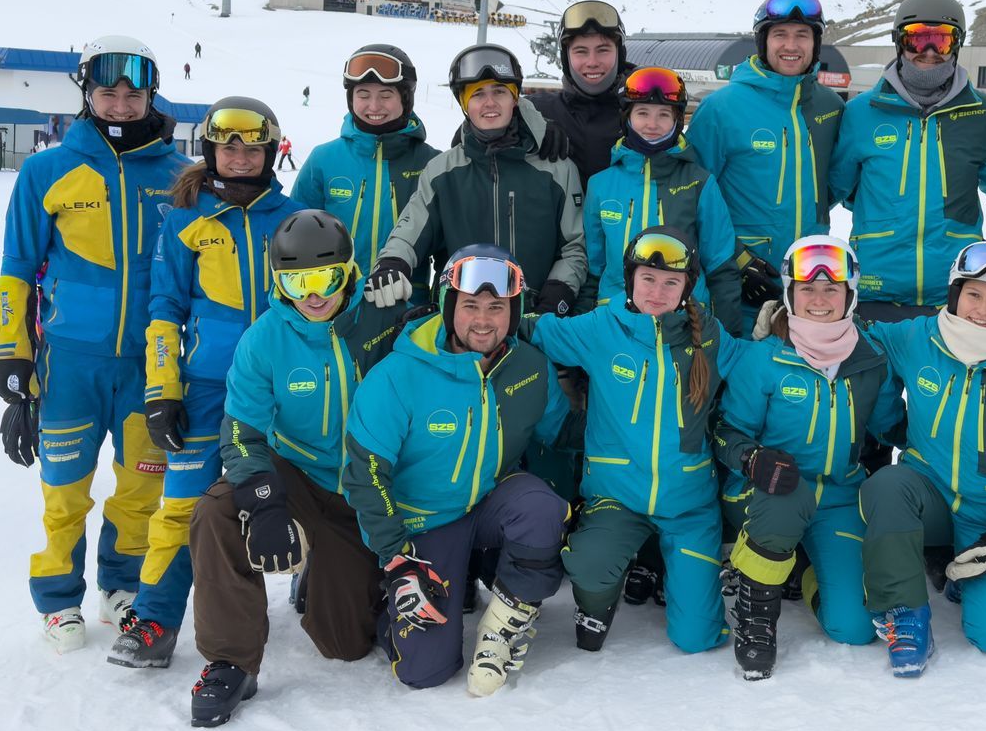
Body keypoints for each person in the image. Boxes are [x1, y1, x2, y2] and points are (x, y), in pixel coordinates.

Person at [0, 36, 190, 650]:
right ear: (87, 93)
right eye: (109, 93)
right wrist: (11, 350)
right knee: (64, 487)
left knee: (141, 487)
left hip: (149, 363)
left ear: (152, 96)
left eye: (134, 94)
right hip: (70, 361)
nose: (121, 105)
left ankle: (121, 585)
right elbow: (16, 268)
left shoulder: (180, 177)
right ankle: (57, 598)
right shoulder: (46, 170)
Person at [185, 211, 407, 727]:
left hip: (362, 488)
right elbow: (241, 432)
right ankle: (231, 661)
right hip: (297, 473)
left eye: (326, 279)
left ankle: (324, 578)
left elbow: (446, 344)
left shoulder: (380, 319)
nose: (313, 296)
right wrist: (262, 502)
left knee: (344, 643)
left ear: (349, 272)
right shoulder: (264, 340)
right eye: (296, 282)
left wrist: (412, 294)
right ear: (278, 283)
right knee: (217, 511)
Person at [110, 98, 302, 670]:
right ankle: (155, 619)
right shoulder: (185, 219)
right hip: (205, 386)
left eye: (253, 147)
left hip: (279, 389)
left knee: (303, 491)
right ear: (210, 150)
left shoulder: (293, 217)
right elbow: (164, 309)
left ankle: (318, 584)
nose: (240, 158)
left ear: (271, 151)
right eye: (228, 147)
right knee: (181, 506)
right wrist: (163, 389)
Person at [341, 247, 571, 694]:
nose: (483, 321)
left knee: (541, 509)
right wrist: (397, 559)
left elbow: (561, 432)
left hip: (487, 503)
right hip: (422, 523)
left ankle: (500, 629)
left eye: (496, 307)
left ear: (514, 311)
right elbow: (365, 473)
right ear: (449, 307)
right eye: (470, 306)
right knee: (424, 671)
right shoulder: (398, 375)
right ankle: (390, 599)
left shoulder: (529, 366)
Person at [528, 228, 746, 654]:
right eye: (648, 279)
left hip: (688, 507)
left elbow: (756, 367)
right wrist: (465, 318)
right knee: (590, 565)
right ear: (630, 279)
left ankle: (672, 573)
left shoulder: (710, 336)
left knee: (696, 639)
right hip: (618, 497)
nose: (657, 292)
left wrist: (788, 333)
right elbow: (536, 332)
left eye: (670, 282)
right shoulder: (602, 327)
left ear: (687, 287)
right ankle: (598, 602)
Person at [855, 242, 986, 675]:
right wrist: (891, 422)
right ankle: (906, 613)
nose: (982, 310)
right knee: (885, 486)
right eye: (973, 294)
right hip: (925, 492)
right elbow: (858, 335)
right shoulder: (918, 336)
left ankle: (969, 578)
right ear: (954, 294)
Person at [713, 235, 903, 679]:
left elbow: (891, 427)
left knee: (854, 628)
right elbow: (726, 433)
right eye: (807, 289)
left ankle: (805, 570)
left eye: (831, 289)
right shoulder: (763, 358)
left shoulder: (870, 360)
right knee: (788, 491)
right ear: (790, 293)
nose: (819, 299)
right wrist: (752, 459)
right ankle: (756, 614)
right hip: (766, 493)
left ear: (849, 294)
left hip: (838, 497)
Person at [368, 44, 586, 320]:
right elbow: (410, 231)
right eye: (478, 94)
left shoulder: (557, 170)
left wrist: (557, 294)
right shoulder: (442, 171)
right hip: (462, 321)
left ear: (515, 99)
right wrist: (392, 263)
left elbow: (574, 247)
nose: (489, 103)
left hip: (533, 319)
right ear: (464, 104)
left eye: (499, 92)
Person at [829, 0, 986, 318]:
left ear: (957, 45)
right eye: (917, 39)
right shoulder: (861, 112)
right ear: (899, 42)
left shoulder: (982, 114)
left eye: (941, 40)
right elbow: (837, 188)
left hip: (952, 289)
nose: (928, 52)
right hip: (876, 285)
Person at [686, 0, 845, 326]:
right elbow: (691, 197)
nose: (791, 45)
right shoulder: (722, 108)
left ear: (815, 44)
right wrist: (738, 261)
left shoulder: (830, 107)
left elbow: (834, 184)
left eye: (802, 35)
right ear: (763, 42)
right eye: (780, 35)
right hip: (743, 284)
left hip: (809, 284)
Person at [582, 67, 742, 331]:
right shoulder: (601, 185)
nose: (652, 124)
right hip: (616, 322)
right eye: (642, 113)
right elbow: (593, 269)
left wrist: (727, 336)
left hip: (684, 322)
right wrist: (583, 323)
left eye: (663, 115)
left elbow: (721, 265)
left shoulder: (699, 183)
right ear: (627, 117)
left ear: (677, 120)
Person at [292, 44, 439, 308]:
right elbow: (295, 239)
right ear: (351, 99)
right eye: (363, 94)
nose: (374, 106)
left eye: (386, 95)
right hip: (334, 306)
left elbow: (447, 248)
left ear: (405, 98)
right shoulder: (323, 160)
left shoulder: (432, 164)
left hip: (407, 309)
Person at [526, 0, 632, 182]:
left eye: (603, 50)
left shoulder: (642, 109)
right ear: (566, 58)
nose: (592, 62)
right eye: (581, 51)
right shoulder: (535, 109)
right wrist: (529, 124)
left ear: (620, 54)